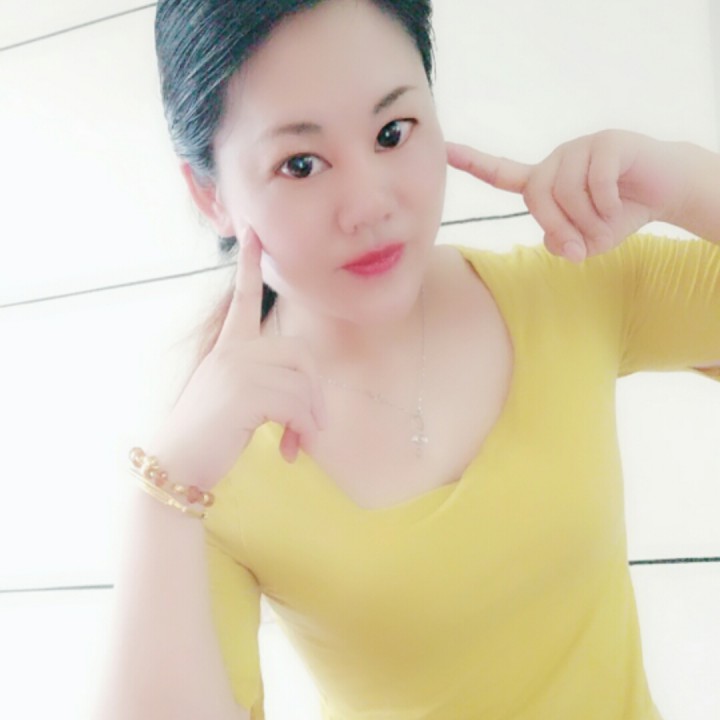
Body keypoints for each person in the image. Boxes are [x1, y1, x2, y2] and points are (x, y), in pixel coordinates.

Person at [93, 1, 720, 719]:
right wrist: (162, 495)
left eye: (392, 132)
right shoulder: (207, 475)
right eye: (300, 164)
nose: (368, 204)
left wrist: (687, 182)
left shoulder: (570, 287)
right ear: (210, 195)